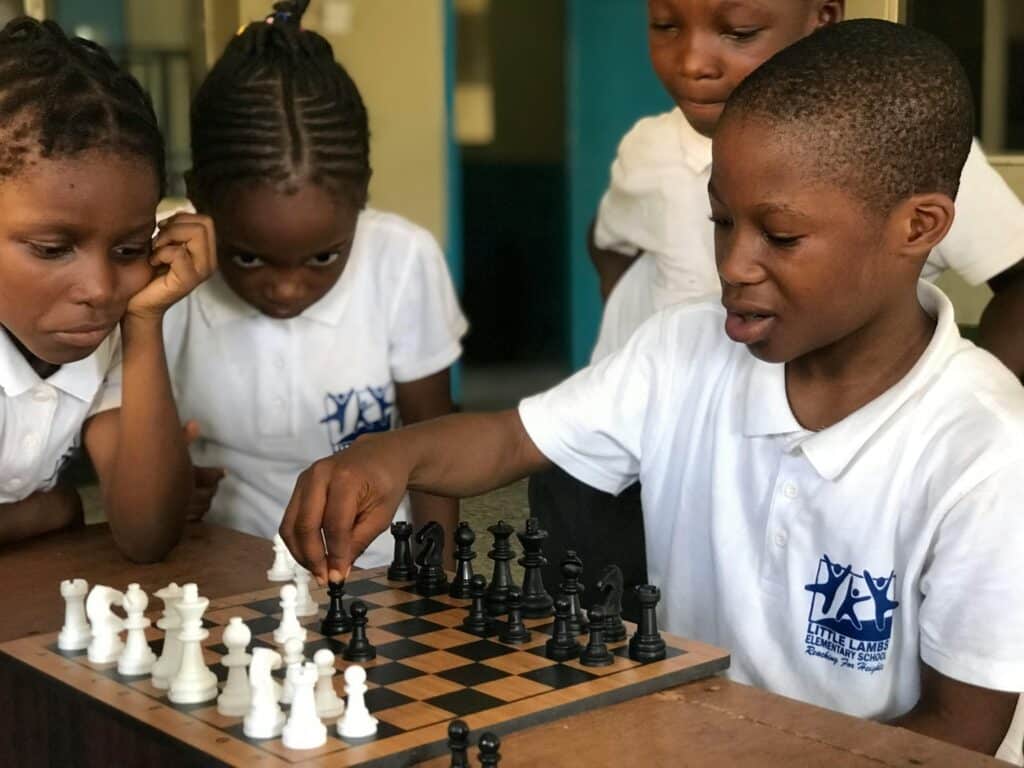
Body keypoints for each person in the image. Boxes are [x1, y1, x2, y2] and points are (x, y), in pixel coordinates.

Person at [280, 21, 1024, 755]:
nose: (734, 264)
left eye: (782, 236)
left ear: (918, 227)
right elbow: (511, 438)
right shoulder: (683, 348)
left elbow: (956, 736)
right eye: (721, 221)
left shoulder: (986, 451)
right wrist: (391, 456)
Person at [164, 0, 467, 567]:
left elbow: (434, 446)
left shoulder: (402, 259)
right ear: (198, 198)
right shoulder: (168, 277)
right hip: (223, 573)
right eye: (249, 259)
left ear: (362, 198)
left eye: (324, 256)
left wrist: (439, 581)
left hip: (375, 572)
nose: (287, 289)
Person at [0, 18, 215, 556]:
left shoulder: (106, 332)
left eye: (129, 249)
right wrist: (59, 508)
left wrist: (145, 322)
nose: (100, 288)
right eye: (52, 249)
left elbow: (147, 535)